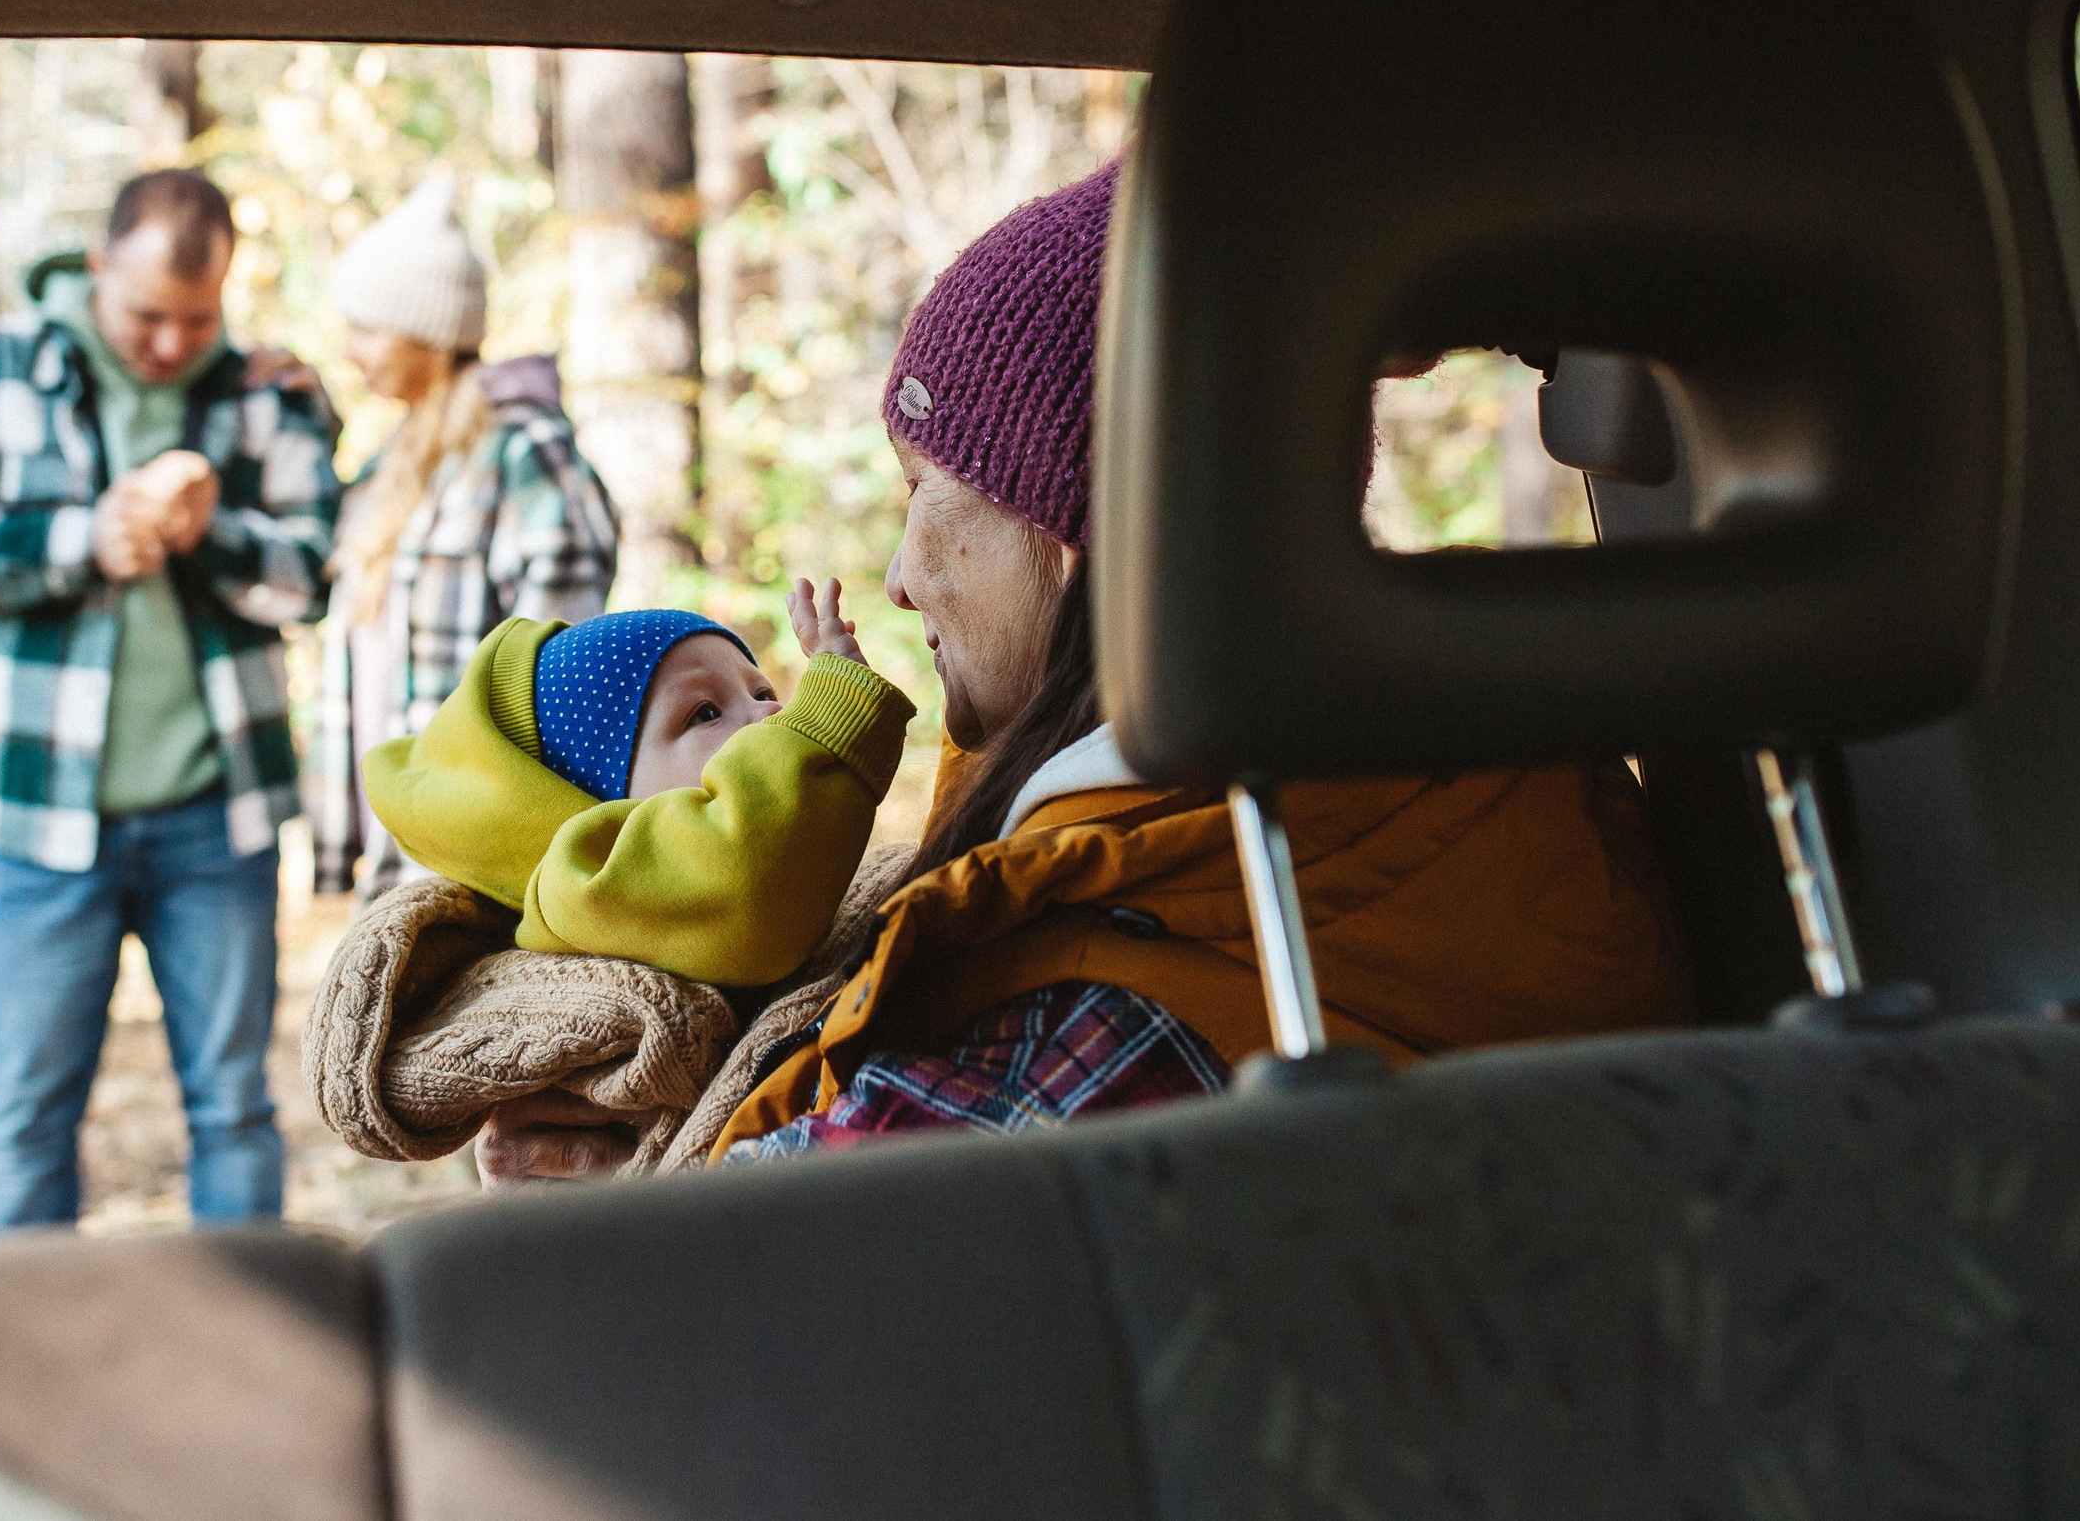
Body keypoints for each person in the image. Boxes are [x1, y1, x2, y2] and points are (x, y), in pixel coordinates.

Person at [462, 160, 1692, 1182]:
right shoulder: (1472, 813)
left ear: (1064, 527)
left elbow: (710, 1330)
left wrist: (604, 1207)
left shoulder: (1095, 1035)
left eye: (921, 491)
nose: (896, 577)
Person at [0, 169, 342, 1229]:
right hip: (40, 820)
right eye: (146, 315)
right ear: (97, 267)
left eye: (198, 318)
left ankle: (240, 1324)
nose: (172, 343)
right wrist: (78, 539)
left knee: (234, 1108)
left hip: (216, 817)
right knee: (30, 1115)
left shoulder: (267, 392)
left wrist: (209, 533)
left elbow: (313, 575)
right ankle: (28, 1333)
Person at [362, 578, 915, 987]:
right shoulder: (583, 877)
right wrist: (829, 716)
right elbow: (749, 884)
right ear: (592, 798)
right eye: (705, 713)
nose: (770, 714)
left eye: (763, 692)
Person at [310, 173, 618, 901]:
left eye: (367, 329)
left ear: (427, 332)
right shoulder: (396, 460)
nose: (350, 350)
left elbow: (559, 669)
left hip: (476, 858)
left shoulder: (524, 451)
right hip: (399, 848)